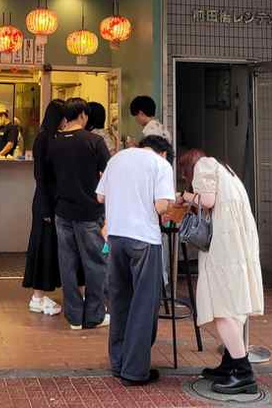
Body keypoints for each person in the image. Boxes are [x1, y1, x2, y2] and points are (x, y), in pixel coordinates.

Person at [177, 148, 264, 396]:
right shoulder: (227, 170)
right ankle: (230, 365)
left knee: (222, 307)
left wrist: (184, 196)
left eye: (186, 175)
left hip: (226, 246)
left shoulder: (204, 165)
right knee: (233, 302)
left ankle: (244, 373)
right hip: (240, 241)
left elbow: (208, 200)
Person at [96, 138, 175, 386]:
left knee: (120, 302)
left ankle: (119, 363)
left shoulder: (117, 159)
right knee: (144, 304)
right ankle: (135, 371)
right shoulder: (160, 165)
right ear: (163, 153)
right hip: (144, 240)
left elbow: (100, 197)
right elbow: (162, 205)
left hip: (116, 237)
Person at [49, 97, 111, 330]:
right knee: (95, 263)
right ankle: (95, 315)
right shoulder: (94, 141)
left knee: (67, 264)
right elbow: (109, 173)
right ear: (83, 115)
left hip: (62, 211)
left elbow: (49, 177)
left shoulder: (54, 142)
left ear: (66, 117)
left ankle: (74, 317)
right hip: (89, 211)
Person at [23, 99, 66, 316]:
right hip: (45, 202)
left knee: (48, 247)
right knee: (43, 247)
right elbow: (42, 177)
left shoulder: (49, 138)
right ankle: (37, 296)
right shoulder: (44, 140)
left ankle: (40, 295)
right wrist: (48, 208)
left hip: (46, 201)